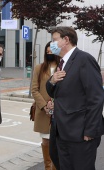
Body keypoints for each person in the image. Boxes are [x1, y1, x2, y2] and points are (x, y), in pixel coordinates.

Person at [46, 26, 104, 170]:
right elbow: (54, 93)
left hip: (80, 133)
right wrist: (52, 81)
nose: (52, 44)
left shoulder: (84, 60)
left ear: (66, 40)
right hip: (61, 131)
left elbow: (96, 98)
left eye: (54, 40)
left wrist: (90, 131)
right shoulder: (62, 63)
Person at [31, 41, 59, 170]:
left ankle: (55, 167)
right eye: (47, 52)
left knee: (58, 143)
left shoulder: (63, 67)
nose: (49, 54)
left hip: (59, 111)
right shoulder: (39, 68)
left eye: (51, 52)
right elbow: (34, 89)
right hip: (43, 112)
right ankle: (47, 167)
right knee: (46, 141)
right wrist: (44, 106)